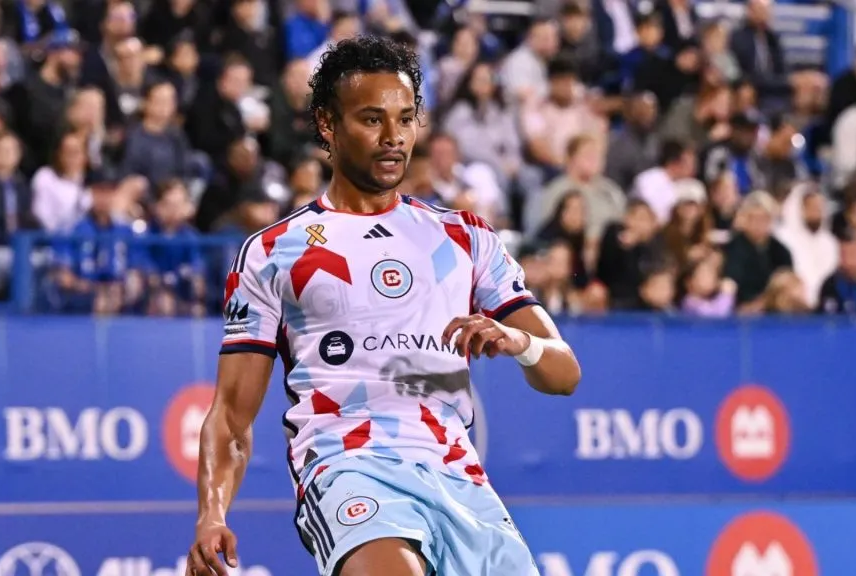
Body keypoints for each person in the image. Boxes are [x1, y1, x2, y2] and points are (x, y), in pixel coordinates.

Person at [186, 35, 581, 576]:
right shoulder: (275, 252)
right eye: (372, 119)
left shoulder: (464, 238)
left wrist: (520, 341)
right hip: (348, 465)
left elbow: (564, 373)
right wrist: (211, 513)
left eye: (406, 118)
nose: (394, 137)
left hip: (458, 476)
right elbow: (231, 414)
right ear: (328, 124)